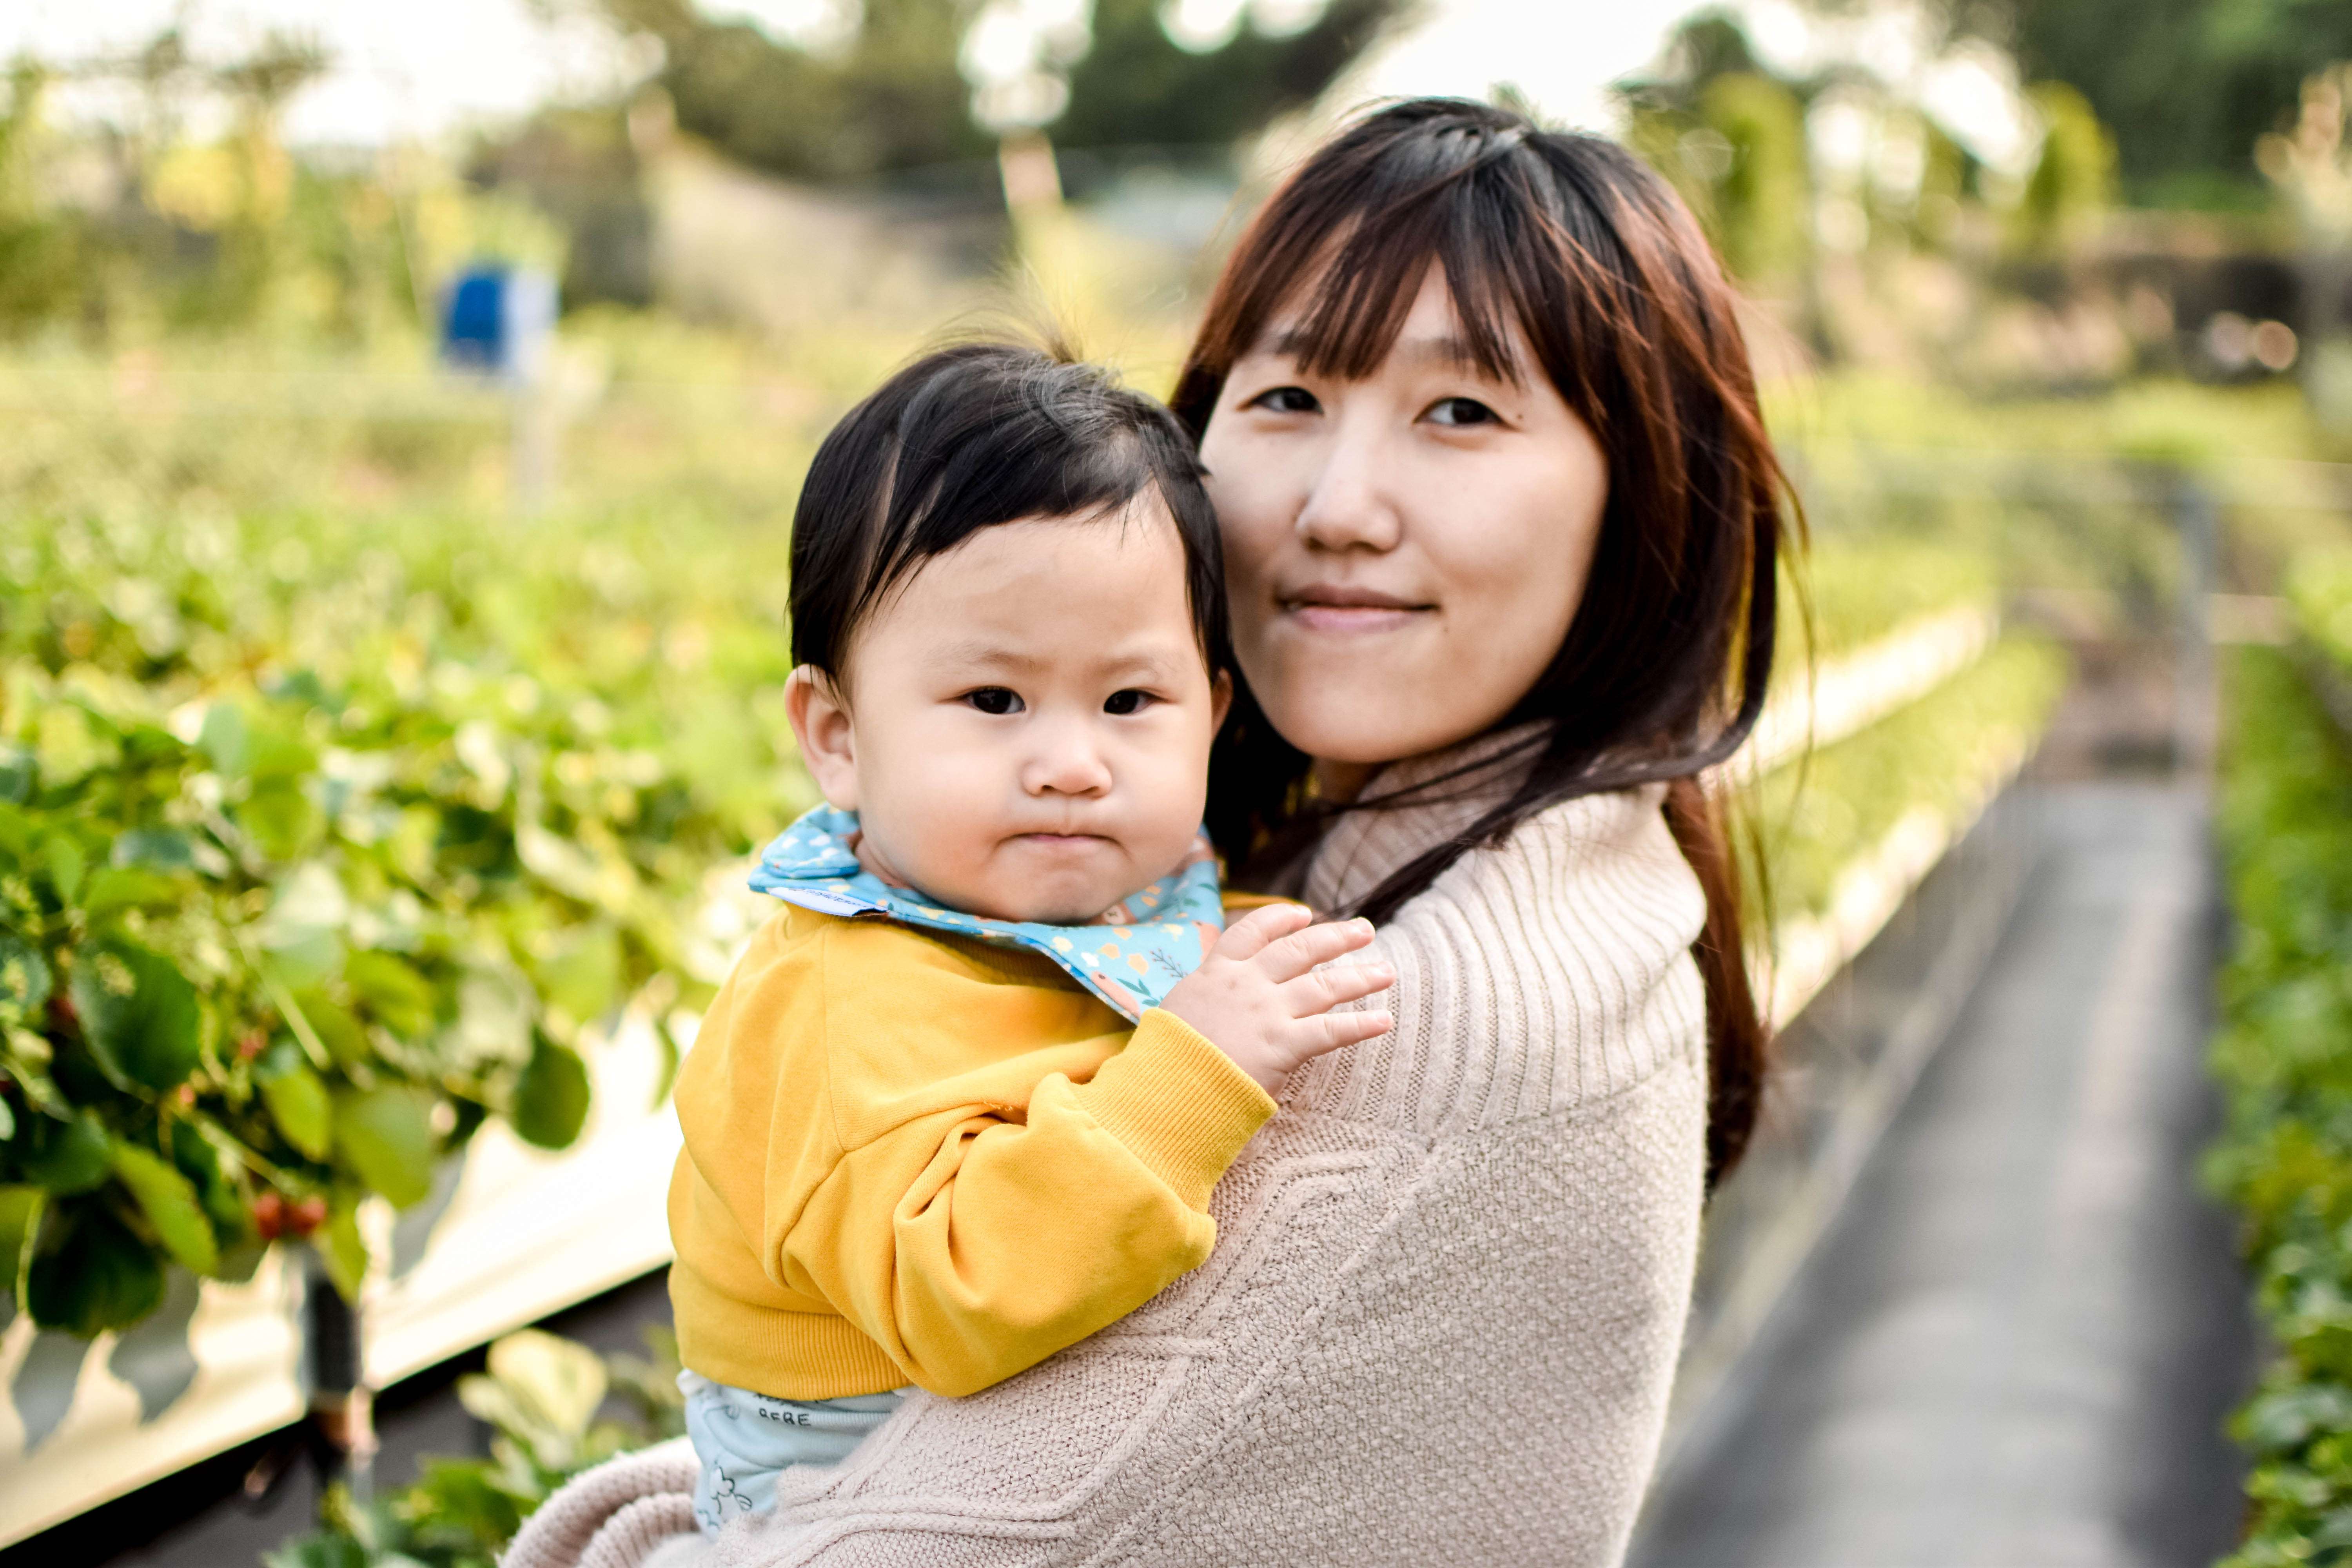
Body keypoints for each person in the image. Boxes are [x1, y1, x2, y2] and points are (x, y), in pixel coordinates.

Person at [510, 96, 1788, 1568]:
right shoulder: (1359, 886)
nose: (1340, 505)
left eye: (1461, 412)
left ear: (1648, 500)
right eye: (1289, 399)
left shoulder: (1440, 1021)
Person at [664, 343, 1396, 1535]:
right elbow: (958, 1295)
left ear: (1211, 714)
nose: (1070, 764)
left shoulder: (1125, 905)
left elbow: (1156, 974)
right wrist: (1196, 1074)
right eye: (995, 702)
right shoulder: (835, 1006)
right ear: (839, 735)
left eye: (1130, 703)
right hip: (850, 1501)